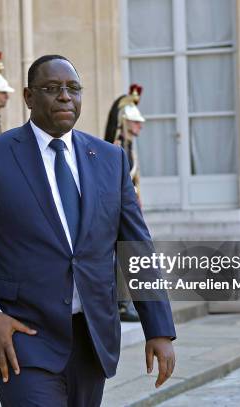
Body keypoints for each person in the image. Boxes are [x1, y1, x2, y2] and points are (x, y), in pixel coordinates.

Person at [0, 55, 175, 406]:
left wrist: (157, 327)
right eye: (52, 89)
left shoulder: (111, 160)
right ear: (28, 97)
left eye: (73, 89)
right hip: (21, 336)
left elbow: (136, 247)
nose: (65, 96)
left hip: (91, 336)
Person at [104, 84, 145, 322]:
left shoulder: (129, 146)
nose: (139, 126)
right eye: (134, 121)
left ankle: (124, 300)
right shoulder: (115, 147)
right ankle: (120, 303)